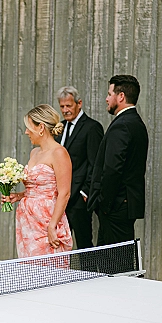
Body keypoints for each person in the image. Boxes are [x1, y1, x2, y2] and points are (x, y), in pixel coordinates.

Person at [87, 75, 149, 245]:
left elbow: (113, 169)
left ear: (120, 96)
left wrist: (104, 204)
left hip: (116, 207)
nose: (107, 99)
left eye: (109, 94)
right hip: (124, 204)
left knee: (114, 265)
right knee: (119, 261)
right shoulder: (136, 123)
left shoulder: (122, 125)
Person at [4, 104, 73, 257]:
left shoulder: (59, 153)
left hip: (47, 217)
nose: (27, 132)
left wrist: (52, 225)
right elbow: (37, 187)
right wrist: (20, 195)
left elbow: (64, 193)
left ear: (41, 127)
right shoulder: (34, 153)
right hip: (27, 218)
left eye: (29, 127)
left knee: (47, 264)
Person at [56, 86, 104, 249]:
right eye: (62, 106)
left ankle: (91, 274)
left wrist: (86, 192)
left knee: (84, 244)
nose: (65, 110)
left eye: (69, 106)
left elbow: (95, 163)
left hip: (79, 199)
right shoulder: (60, 127)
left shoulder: (91, 127)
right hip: (60, 198)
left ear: (79, 103)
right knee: (59, 242)